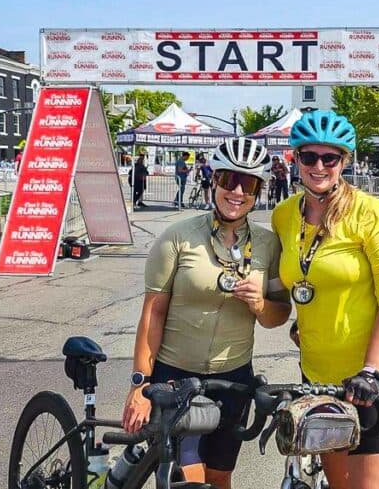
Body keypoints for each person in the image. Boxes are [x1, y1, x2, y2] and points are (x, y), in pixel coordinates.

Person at [124, 137, 290, 489]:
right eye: (229, 180)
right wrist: (140, 383)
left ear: (259, 190)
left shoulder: (268, 245)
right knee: (188, 475)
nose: (237, 192)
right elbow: (152, 314)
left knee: (219, 476)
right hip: (176, 377)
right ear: (213, 181)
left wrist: (259, 304)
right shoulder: (178, 237)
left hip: (233, 379)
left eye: (248, 184)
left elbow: (278, 316)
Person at [271, 109, 379, 489]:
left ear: (344, 161)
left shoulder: (371, 215)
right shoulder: (284, 215)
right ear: (294, 158)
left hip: (374, 373)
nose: (319, 166)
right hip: (318, 372)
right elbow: (295, 280)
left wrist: (371, 371)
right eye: (308, 156)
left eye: (329, 157)